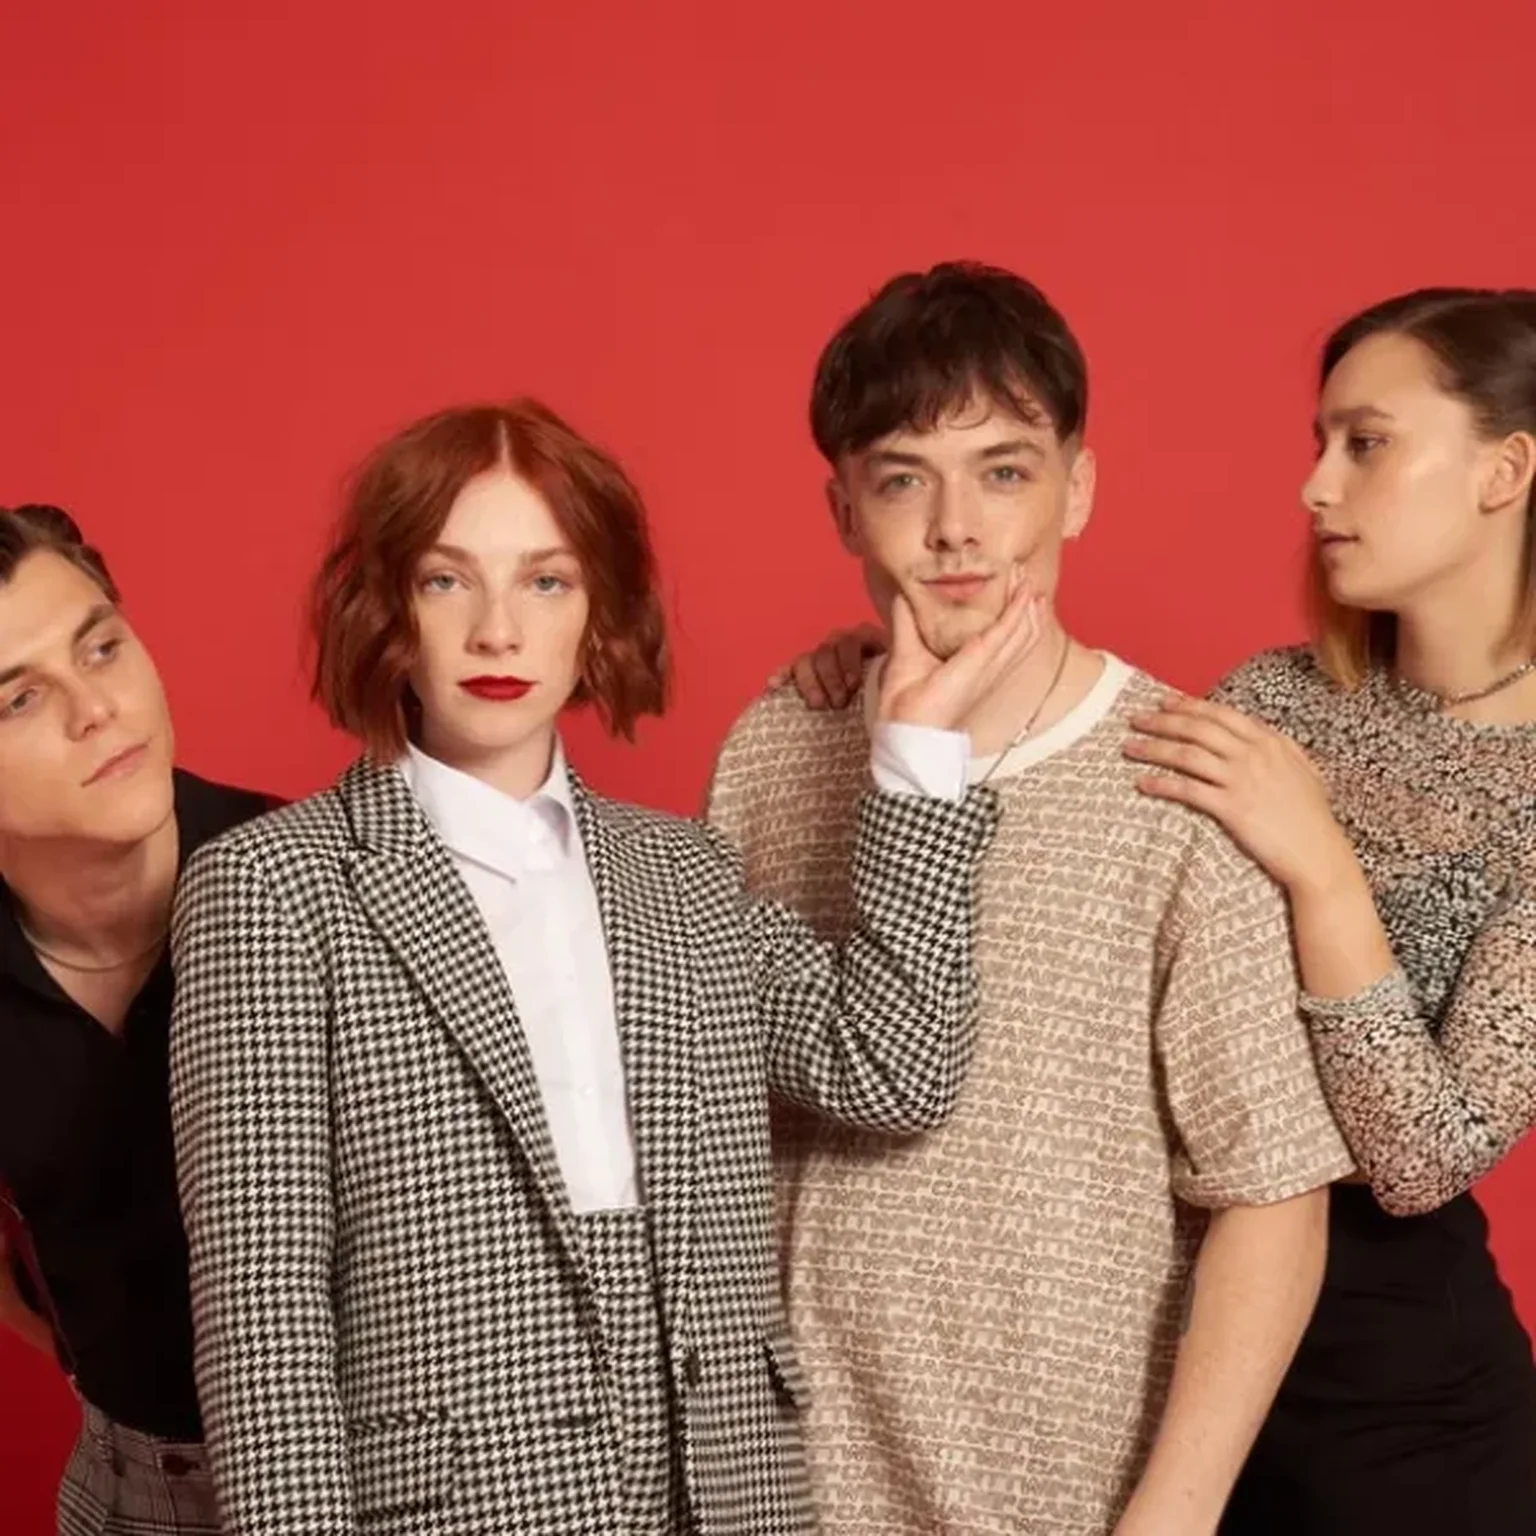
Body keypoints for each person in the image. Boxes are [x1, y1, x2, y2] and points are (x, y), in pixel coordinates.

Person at [167, 397, 1032, 1536]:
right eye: (446, 580)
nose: (497, 632)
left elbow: (894, 1066)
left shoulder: (686, 875)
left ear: (598, 612)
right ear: (385, 608)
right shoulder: (270, 887)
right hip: (455, 1508)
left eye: (546, 581)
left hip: (730, 1494)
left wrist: (917, 749)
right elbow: (262, 1319)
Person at [705, 261, 1354, 1536]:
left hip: (1054, 1485)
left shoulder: (1181, 778)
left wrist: (1175, 1511)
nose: (957, 529)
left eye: (1004, 472)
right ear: (843, 509)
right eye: (905, 479)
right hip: (782, 1474)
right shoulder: (777, 748)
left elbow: (1272, 1192)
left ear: (1079, 488)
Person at [1122, 287, 1536, 1534]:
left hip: (1399, 1416)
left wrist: (1323, 869)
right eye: (1320, 443)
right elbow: (1091, 884)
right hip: (1177, 1364)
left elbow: (1423, 1159)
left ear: (1506, 472)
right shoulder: (1272, 700)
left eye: (1367, 444)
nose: (1314, 486)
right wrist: (906, 678)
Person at [0, 503, 273, 1536]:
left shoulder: (322, 885)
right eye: (20, 699)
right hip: (128, 1487)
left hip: (369, 1467)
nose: (98, 710)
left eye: (102, 647)